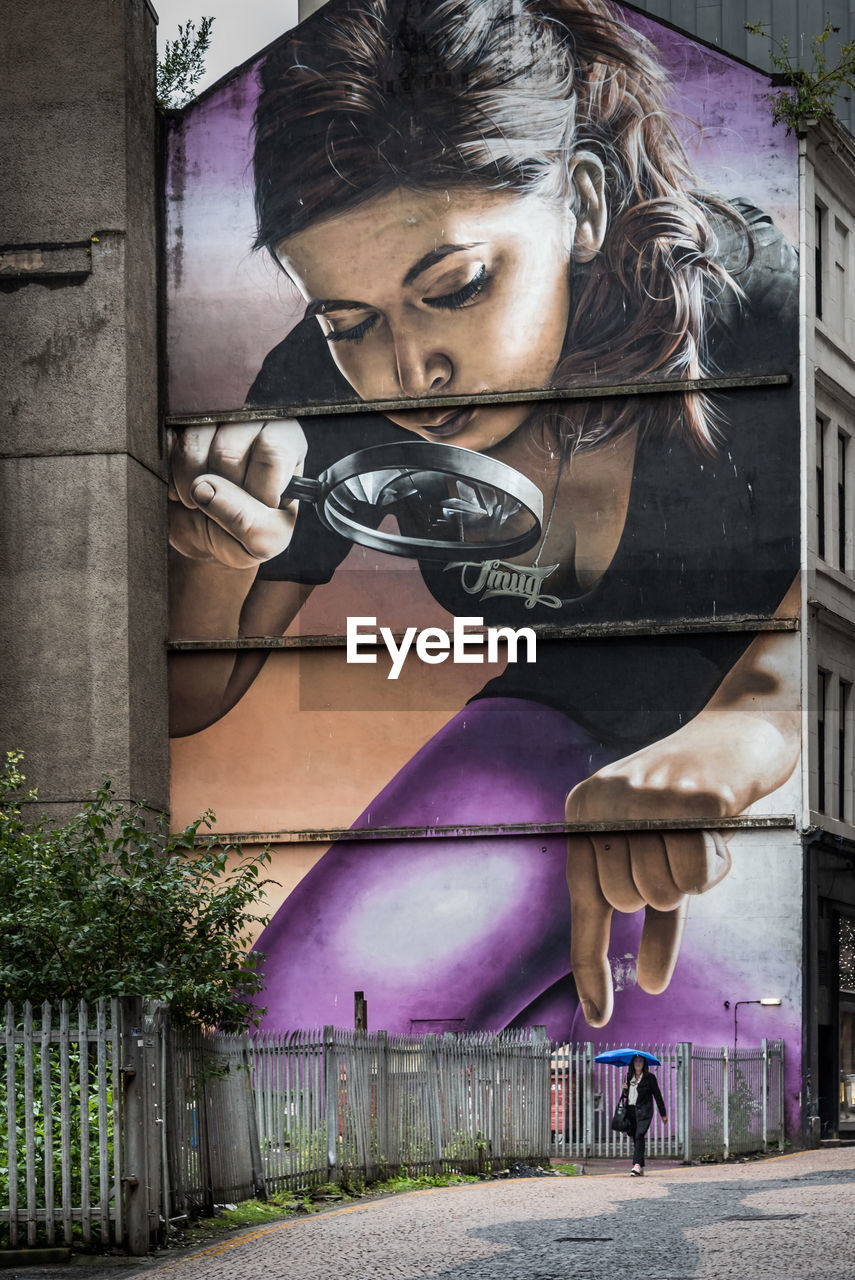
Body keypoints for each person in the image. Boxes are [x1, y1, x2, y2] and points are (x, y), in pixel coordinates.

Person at [167, 0, 800, 1036]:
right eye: (349, 321)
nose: (409, 372)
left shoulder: (750, 295)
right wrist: (213, 552)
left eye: (457, 287)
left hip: (788, 772)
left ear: (582, 206)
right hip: (539, 740)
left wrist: (758, 719)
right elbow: (197, 689)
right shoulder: (316, 389)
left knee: (720, 1063)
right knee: (291, 1048)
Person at [624, 1055, 667, 1176]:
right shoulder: (628, 1077)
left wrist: (663, 1114)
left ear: (644, 1063)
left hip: (644, 1111)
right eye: (636, 1061)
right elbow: (627, 1097)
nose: (638, 1063)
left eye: (640, 1061)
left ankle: (636, 1165)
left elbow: (657, 1096)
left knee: (639, 1135)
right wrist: (625, 1090)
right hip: (631, 1111)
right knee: (636, 1137)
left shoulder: (650, 1078)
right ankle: (641, 1166)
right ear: (632, 1063)